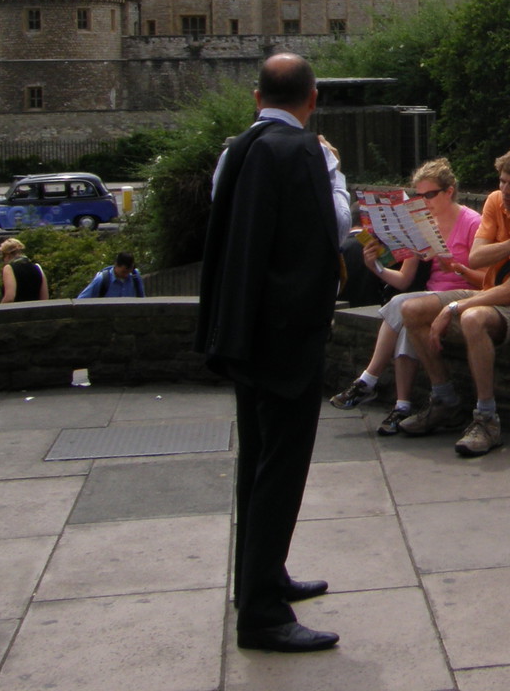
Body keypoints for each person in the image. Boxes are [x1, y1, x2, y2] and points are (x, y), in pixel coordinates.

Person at [195, 53, 349, 653]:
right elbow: (333, 228)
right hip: (289, 334)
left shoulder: (236, 151)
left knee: (256, 460)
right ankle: (261, 614)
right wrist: (334, 170)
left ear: (256, 99)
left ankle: (259, 577)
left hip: (243, 328)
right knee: (282, 466)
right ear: (312, 100)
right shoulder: (307, 153)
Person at [397, 146, 510, 457]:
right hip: (488, 290)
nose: (504, 190)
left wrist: (454, 307)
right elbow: (477, 256)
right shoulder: (495, 202)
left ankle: (487, 418)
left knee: (474, 319)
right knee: (412, 310)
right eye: (502, 181)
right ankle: (444, 399)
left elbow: (509, 293)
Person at [329, 158, 483, 437]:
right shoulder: (423, 224)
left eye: (429, 195)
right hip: (431, 296)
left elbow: (487, 279)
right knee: (406, 318)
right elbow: (404, 280)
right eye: (418, 196)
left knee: (402, 305)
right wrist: (374, 265)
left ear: (449, 192)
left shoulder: (472, 222)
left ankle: (368, 379)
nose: (422, 201)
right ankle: (402, 404)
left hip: (464, 296)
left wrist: (457, 267)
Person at [0, 237, 48, 302]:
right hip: (36, 310)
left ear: (7, 255)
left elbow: (10, 297)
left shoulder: (9, 268)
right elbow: (45, 297)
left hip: (17, 310)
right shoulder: (37, 267)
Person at [77, 252, 145, 298]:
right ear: (116, 265)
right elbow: (82, 299)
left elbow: (142, 298)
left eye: (129, 271)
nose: (126, 275)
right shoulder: (102, 279)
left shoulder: (135, 276)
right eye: (123, 272)